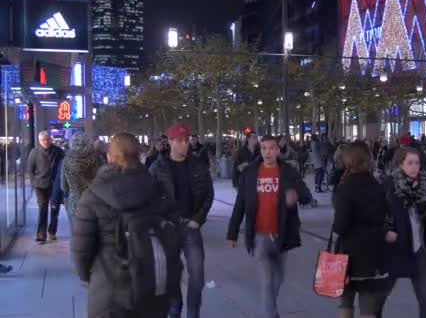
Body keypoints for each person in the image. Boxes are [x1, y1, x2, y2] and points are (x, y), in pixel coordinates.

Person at [71, 133, 173, 318]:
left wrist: (88, 276)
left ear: (109, 157)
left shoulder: (93, 195)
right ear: (138, 154)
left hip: (108, 287)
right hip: (150, 283)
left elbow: (81, 248)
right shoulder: (155, 188)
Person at [227, 135, 312, 318]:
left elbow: (307, 196)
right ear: (260, 150)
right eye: (264, 148)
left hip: (282, 234)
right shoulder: (250, 173)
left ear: (278, 150)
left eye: (272, 148)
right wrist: (232, 233)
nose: (268, 152)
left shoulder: (288, 171)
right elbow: (240, 204)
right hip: (259, 235)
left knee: (278, 279)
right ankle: (270, 314)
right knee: (266, 281)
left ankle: (270, 309)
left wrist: (295, 195)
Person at [150, 124, 214, 318]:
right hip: (168, 228)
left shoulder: (197, 164)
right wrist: (161, 222)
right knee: (171, 274)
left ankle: (193, 313)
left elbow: (208, 195)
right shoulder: (157, 167)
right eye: (179, 141)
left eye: (186, 140)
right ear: (169, 142)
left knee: (197, 275)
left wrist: (198, 219)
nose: (184, 145)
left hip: (191, 226)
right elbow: (150, 199)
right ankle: (175, 309)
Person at [378, 147, 426, 318]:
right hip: (395, 249)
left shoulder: (425, 186)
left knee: (425, 296)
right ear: (400, 165)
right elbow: (375, 215)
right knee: (381, 295)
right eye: (410, 163)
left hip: (419, 249)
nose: (414, 167)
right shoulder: (389, 185)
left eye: (417, 163)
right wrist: (385, 232)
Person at [332, 141, 390, 318]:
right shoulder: (377, 186)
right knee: (368, 305)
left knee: (345, 303)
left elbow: (340, 226)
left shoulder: (345, 188)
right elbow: (383, 217)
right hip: (372, 256)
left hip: (347, 255)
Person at [27, 130, 64, 243]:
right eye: (44, 140)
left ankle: (52, 231)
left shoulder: (58, 151)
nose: (46, 142)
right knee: (42, 208)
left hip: (55, 185)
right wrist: (34, 182)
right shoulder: (34, 152)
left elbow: (64, 165)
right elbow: (30, 169)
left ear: (51, 139)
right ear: (39, 141)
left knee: (54, 208)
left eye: (48, 139)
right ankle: (41, 234)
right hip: (40, 185)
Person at [61, 133, 102, 226]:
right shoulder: (97, 159)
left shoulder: (66, 160)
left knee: (76, 235)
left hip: (75, 203)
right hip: (94, 203)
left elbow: (63, 186)